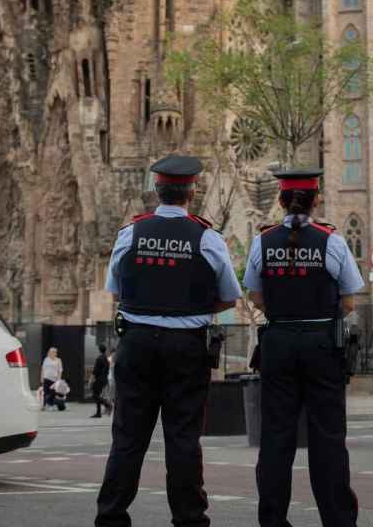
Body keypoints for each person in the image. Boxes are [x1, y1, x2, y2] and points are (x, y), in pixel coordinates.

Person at [95, 155, 242, 527]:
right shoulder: (207, 237)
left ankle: (111, 518)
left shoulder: (130, 233)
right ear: (192, 191)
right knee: (183, 440)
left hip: (137, 344)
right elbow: (228, 296)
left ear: (156, 191)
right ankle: (190, 520)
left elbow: (116, 289)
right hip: (186, 348)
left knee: (128, 439)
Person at [244, 169, 365, 527]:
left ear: (280, 202)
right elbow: (348, 302)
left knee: (276, 438)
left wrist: (283, 312)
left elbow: (254, 296)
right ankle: (338, 520)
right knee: (327, 438)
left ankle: (272, 520)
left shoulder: (261, 242)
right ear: (317, 201)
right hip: (322, 344)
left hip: (278, 343)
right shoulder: (333, 242)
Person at [41, 347, 63, 411]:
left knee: (52, 393)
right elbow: (43, 369)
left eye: (55, 352)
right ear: (49, 352)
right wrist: (41, 377)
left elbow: (60, 370)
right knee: (45, 392)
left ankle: (51, 405)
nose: (53, 353)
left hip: (54, 379)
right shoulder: (46, 359)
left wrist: (59, 379)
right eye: (52, 352)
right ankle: (44, 405)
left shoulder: (58, 360)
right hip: (46, 378)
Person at [91, 345, 110, 418]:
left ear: (99, 350)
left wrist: (91, 379)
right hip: (104, 379)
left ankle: (107, 405)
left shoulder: (99, 358)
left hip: (99, 379)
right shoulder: (106, 359)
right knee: (97, 395)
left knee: (95, 395)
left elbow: (95, 371)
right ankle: (98, 413)